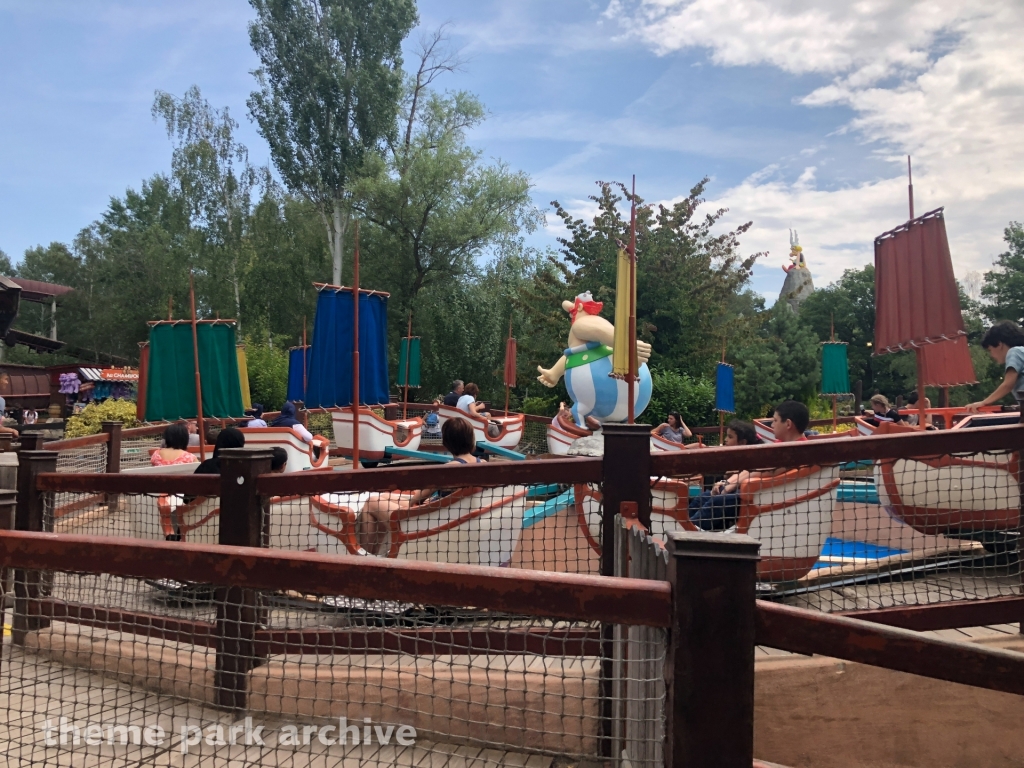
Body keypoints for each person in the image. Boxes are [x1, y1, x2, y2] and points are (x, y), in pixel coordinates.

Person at [357, 417, 483, 554]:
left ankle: (365, 557)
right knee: (385, 497)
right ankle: (374, 554)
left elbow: (415, 500)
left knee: (372, 502)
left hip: (428, 524)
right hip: (449, 515)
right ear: (471, 439)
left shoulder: (449, 469)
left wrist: (421, 500)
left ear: (446, 442)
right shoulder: (482, 464)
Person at [688, 401, 809, 531]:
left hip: (762, 496)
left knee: (717, 502)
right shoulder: (781, 444)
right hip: (753, 490)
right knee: (705, 496)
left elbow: (763, 471)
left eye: (775, 420)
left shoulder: (797, 451)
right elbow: (754, 467)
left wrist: (728, 486)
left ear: (788, 424)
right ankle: (683, 527)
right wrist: (726, 483)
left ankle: (688, 533)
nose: (772, 425)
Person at [967, 320, 1024, 412]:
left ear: (999, 344)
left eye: (990, 350)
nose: (991, 355)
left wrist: (984, 402)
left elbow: (1008, 384)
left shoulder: (1014, 352)